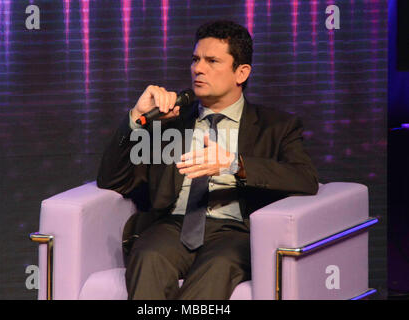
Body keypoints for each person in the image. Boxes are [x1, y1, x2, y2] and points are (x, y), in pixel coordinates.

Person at [97, 20, 319, 300]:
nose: (198, 69)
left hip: (236, 232)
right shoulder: (171, 123)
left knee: (217, 267)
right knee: (149, 257)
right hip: (173, 225)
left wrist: (235, 165)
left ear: (241, 73)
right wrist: (135, 119)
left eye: (212, 61)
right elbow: (111, 179)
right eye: (195, 59)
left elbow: (305, 179)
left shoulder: (276, 126)